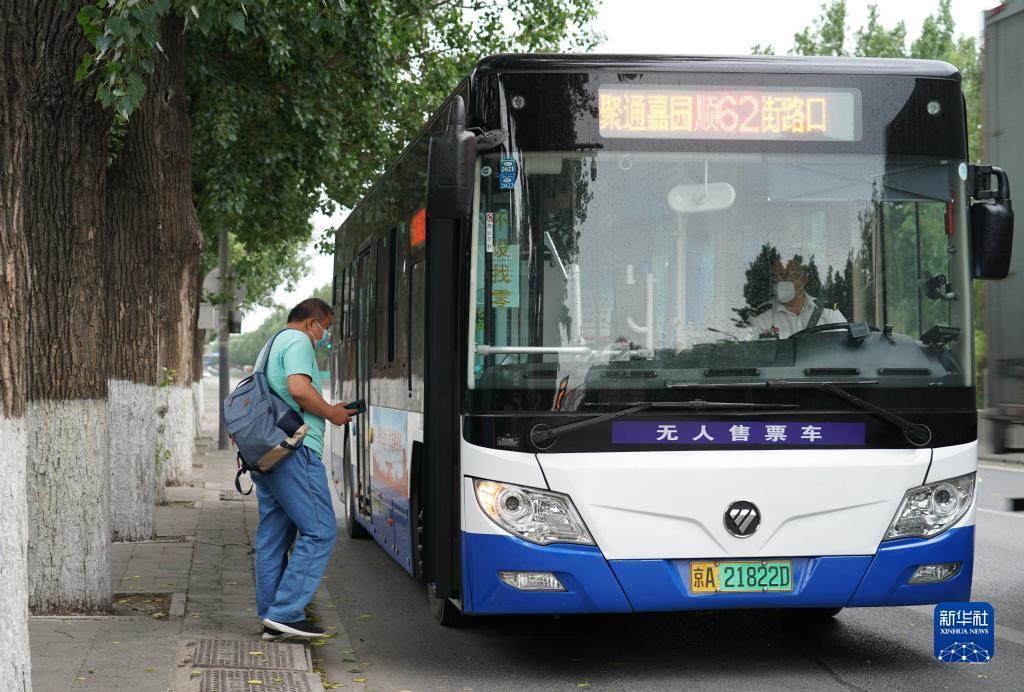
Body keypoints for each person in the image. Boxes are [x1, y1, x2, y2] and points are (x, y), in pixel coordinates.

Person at [253, 297, 355, 640]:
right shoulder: (299, 341)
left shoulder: (271, 345)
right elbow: (298, 389)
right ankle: (286, 612)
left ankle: (271, 619)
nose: (325, 336)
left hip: (268, 453)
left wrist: (328, 407)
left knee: (273, 537)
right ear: (312, 323)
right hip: (295, 450)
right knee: (321, 530)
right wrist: (331, 413)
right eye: (326, 328)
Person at [747, 257, 846, 339]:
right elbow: (750, 353)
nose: (779, 282)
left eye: (785, 276)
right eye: (774, 277)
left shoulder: (828, 312)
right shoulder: (760, 317)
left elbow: (845, 349)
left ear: (803, 279)